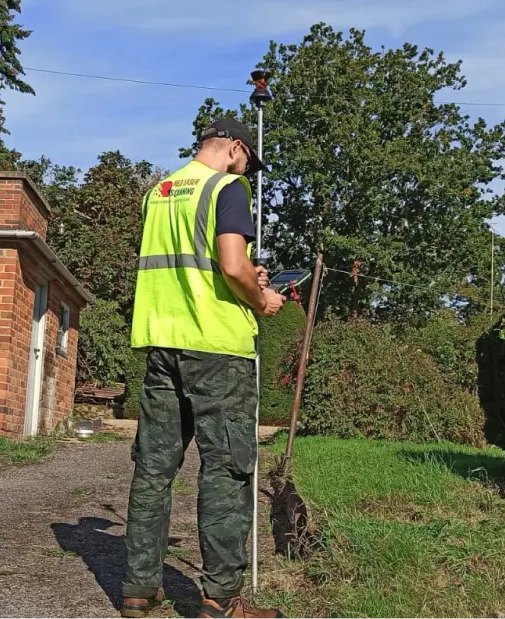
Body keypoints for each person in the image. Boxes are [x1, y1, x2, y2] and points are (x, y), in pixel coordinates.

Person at [120, 117, 288, 619]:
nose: (249, 173)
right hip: (216, 348)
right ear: (235, 148)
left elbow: (195, 263)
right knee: (227, 469)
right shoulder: (228, 187)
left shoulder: (161, 191)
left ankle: (138, 587)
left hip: (161, 343)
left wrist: (242, 273)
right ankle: (222, 599)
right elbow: (232, 265)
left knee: (153, 470)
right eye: (248, 162)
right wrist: (261, 298)